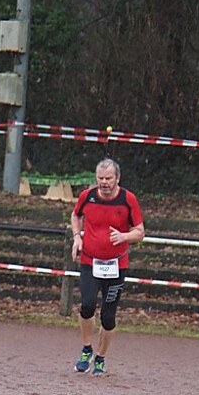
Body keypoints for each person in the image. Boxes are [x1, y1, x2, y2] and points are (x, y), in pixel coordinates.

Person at [70, 158, 146, 376]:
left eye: (108, 178)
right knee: (87, 305)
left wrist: (124, 236)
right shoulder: (87, 196)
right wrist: (77, 236)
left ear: (117, 179)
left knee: (108, 316)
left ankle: (101, 358)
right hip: (90, 261)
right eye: (100, 178)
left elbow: (140, 231)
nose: (104, 182)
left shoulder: (128, 200)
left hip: (116, 264)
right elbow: (76, 215)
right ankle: (87, 349)